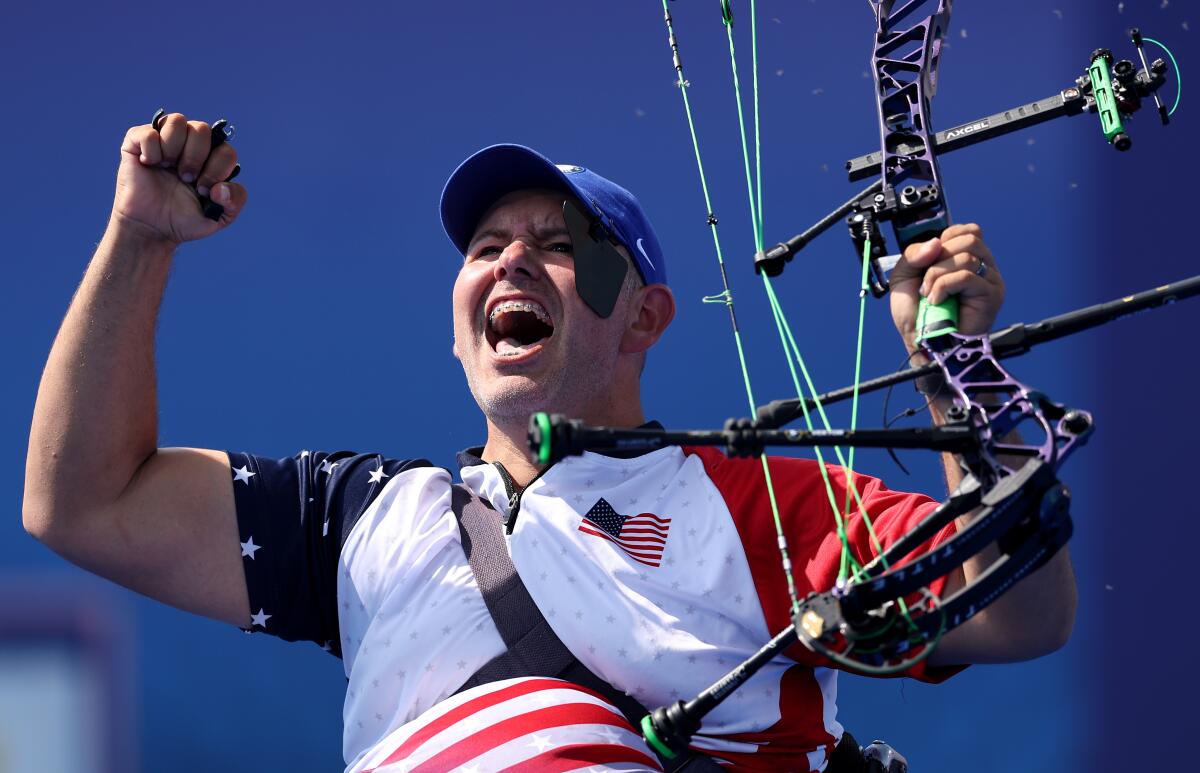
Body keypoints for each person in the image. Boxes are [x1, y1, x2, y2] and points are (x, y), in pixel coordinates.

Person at [22, 114, 1077, 773]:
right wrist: (140, 236)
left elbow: (1019, 610)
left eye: (558, 248)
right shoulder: (363, 517)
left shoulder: (753, 503)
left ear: (645, 315)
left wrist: (956, 367)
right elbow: (84, 501)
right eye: (487, 248)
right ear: (455, 321)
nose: (511, 263)